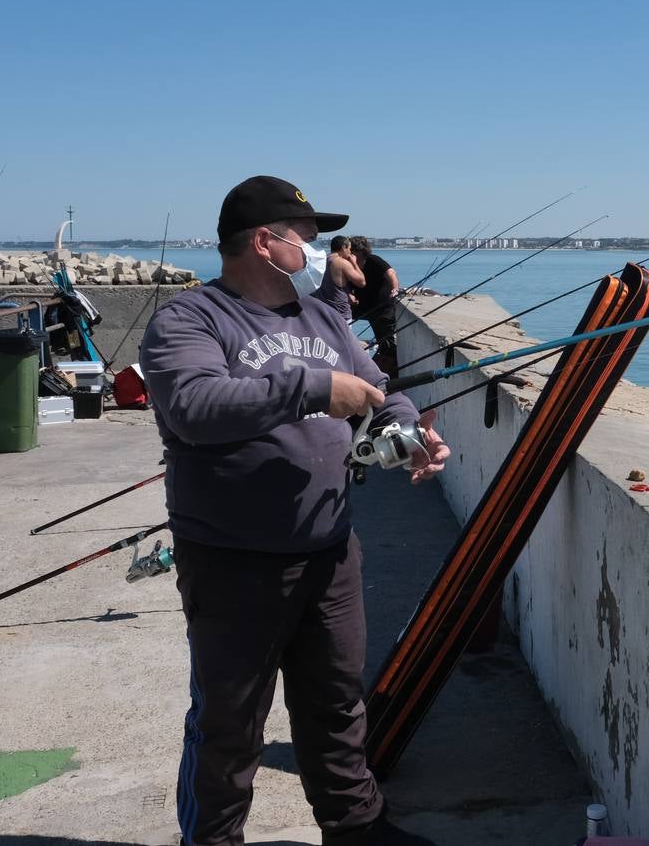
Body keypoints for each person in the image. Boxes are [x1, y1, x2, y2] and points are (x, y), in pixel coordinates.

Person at [139, 175, 449, 846]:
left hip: (330, 553)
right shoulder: (190, 320)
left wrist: (410, 430)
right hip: (231, 563)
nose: (317, 252)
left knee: (337, 708)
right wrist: (312, 387)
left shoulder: (322, 318)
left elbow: (379, 391)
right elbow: (193, 408)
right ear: (264, 241)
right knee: (228, 724)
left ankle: (359, 829)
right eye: (307, 240)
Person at [348, 237, 401, 375]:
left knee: (385, 340)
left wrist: (395, 289)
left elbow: (391, 273)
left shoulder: (373, 260)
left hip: (382, 306)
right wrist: (349, 294)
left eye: (354, 251)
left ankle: (389, 368)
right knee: (340, 316)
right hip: (363, 305)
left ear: (361, 252)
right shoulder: (348, 264)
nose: (352, 255)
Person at [315, 234, 366, 321]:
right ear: (343, 247)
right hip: (340, 312)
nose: (350, 252)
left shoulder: (322, 261)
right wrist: (354, 263)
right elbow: (361, 282)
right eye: (349, 249)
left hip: (323, 311)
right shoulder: (341, 262)